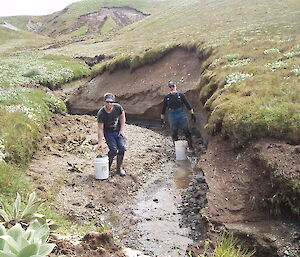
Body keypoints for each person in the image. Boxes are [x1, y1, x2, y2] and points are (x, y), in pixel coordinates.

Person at [161, 81, 196, 152]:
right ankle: (177, 150)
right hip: (172, 115)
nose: (172, 88)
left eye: (173, 86)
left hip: (181, 114)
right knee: (174, 132)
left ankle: (191, 148)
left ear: (175, 86)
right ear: (169, 88)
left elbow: (188, 105)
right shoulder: (167, 97)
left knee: (186, 130)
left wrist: (192, 115)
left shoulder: (181, 95)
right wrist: (162, 120)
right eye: (170, 87)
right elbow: (163, 109)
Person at [97, 93, 126, 176]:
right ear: (104, 102)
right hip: (108, 132)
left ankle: (119, 168)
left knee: (122, 148)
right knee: (113, 150)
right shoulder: (101, 113)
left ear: (113, 102)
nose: (109, 104)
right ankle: (107, 168)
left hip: (118, 131)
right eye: (107, 102)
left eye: (111, 102)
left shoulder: (118, 107)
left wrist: (122, 129)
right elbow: (100, 129)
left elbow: (122, 116)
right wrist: (100, 142)